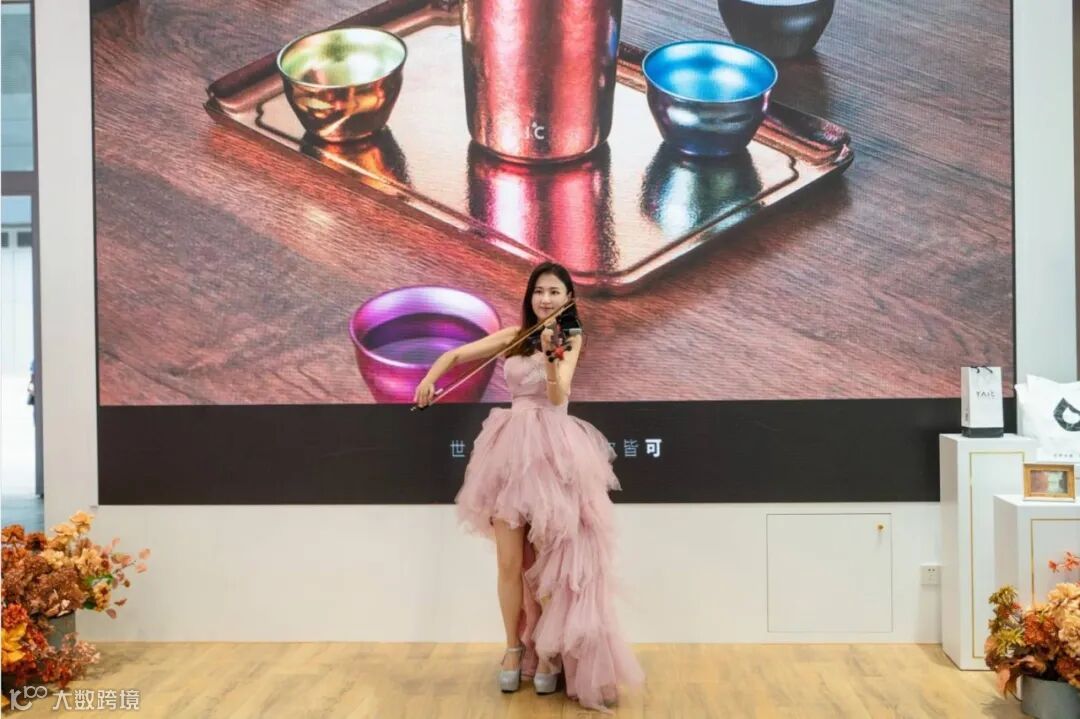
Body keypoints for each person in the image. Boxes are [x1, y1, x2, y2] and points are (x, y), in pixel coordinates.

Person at [413, 262, 644, 711]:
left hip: (553, 456)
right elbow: (457, 356)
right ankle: (513, 647)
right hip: (508, 454)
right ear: (530, 295)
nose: (546, 299)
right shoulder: (514, 336)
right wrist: (429, 379)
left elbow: (559, 396)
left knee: (546, 568)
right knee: (509, 563)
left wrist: (552, 361)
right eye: (540, 291)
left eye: (555, 291)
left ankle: (549, 654)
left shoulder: (570, 338)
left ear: (568, 298)